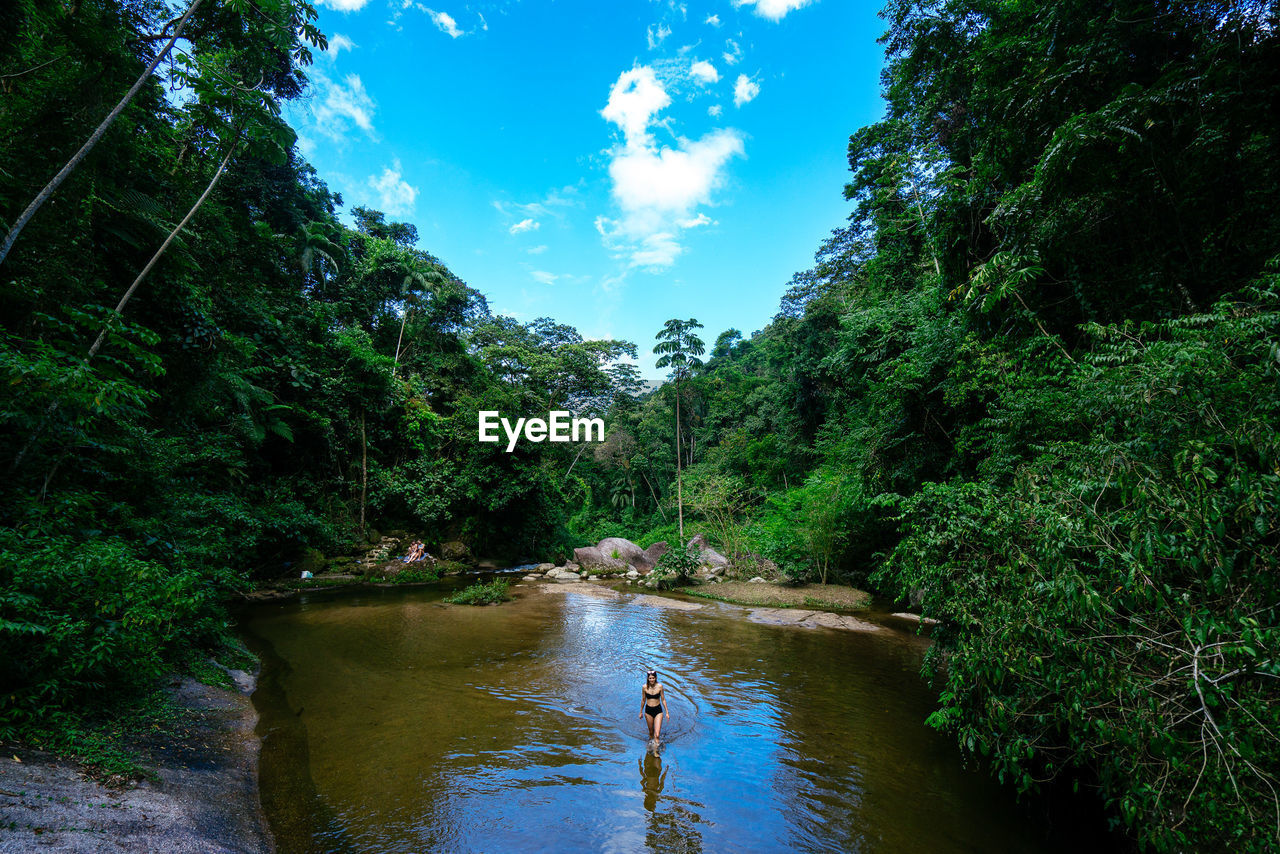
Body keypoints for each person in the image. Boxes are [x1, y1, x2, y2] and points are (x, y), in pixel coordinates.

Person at [639, 669, 669, 743]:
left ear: (655, 678)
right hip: (648, 711)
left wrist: (667, 712)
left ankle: (656, 752)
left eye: (653, 678)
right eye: (650, 678)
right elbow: (643, 700)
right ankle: (650, 746)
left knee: (657, 734)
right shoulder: (644, 687)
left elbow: (663, 699)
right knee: (651, 732)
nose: (651, 680)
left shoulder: (660, 686)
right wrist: (640, 712)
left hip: (658, 710)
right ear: (648, 679)